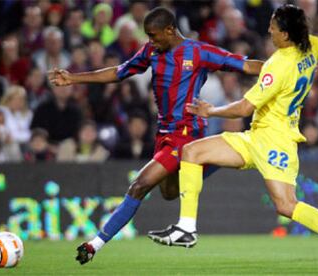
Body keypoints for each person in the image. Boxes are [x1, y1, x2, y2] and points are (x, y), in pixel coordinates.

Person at [148, 4, 318, 273]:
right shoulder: (311, 45)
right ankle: (186, 228)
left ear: (286, 34)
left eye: (274, 27)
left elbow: (244, 108)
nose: (269, 30)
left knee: (287, 205)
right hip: (259, 137)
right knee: (192, 153)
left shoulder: (278, 64)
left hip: (274, 141)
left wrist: (212, 110)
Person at [48, 7, 263, 265]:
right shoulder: (152, 51)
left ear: (170, 30)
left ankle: (94, 245)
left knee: (139, 184)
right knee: (170, 192)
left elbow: (247, 65)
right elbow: (119, 72)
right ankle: (215, 159)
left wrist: (284, 70)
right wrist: (74, 78)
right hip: (163, 134)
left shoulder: (198, 51)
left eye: (153, 35)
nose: (150, 41)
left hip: (187, 132)